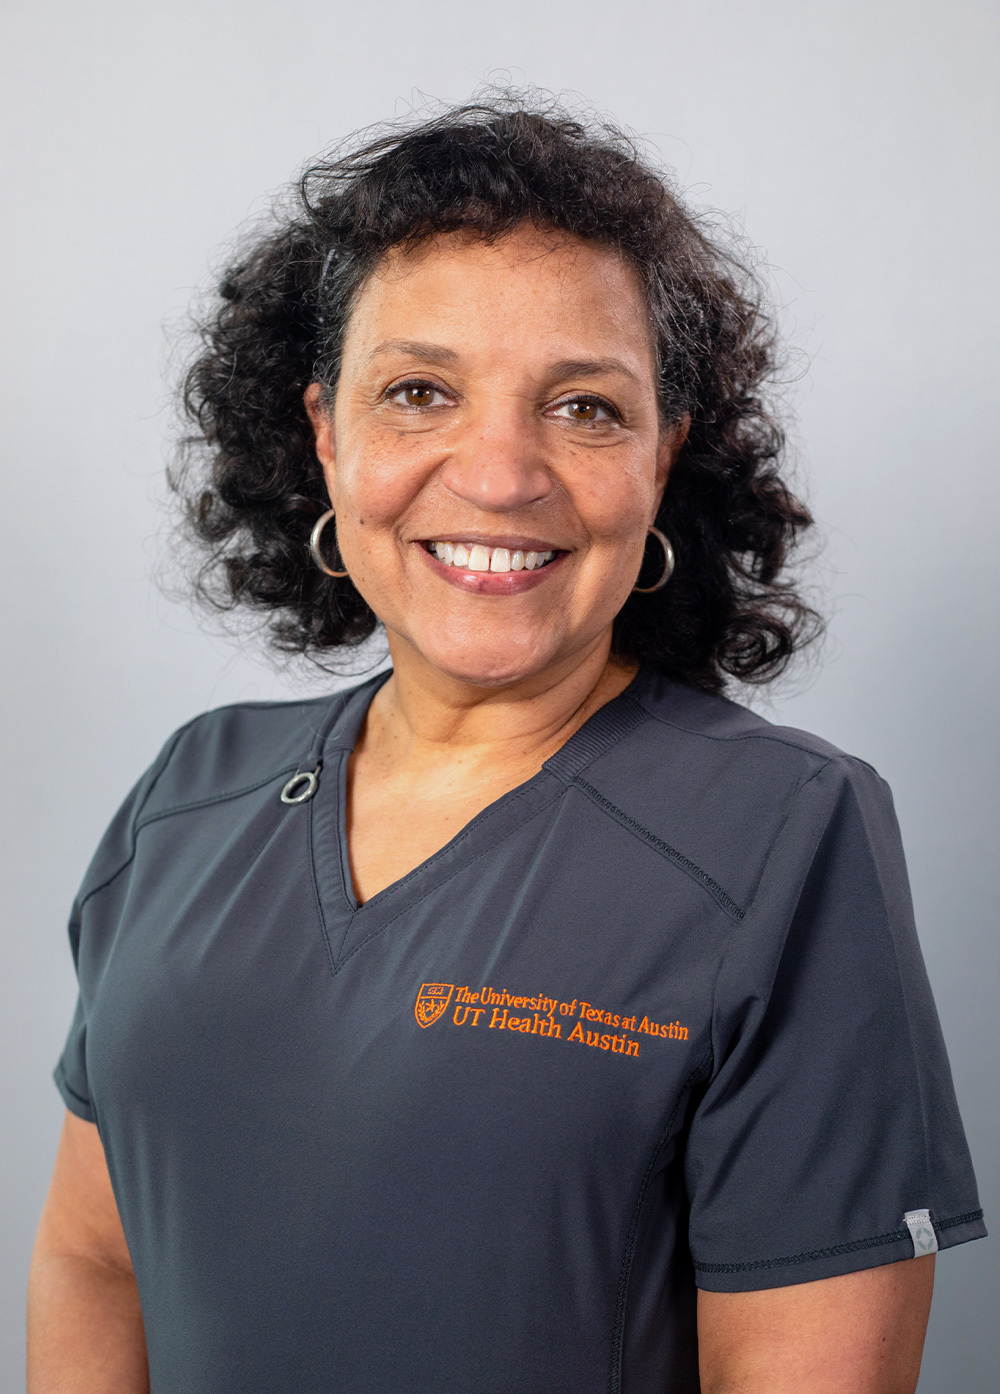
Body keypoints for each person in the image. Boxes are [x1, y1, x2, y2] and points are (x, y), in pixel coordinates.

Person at [27, 98, 984, 1394]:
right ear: (326, 432)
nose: (499, 471)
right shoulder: (193, 792)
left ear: (663, 455)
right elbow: (98, 1258)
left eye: (584, 408)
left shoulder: (785, 835)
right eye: (419, 392)